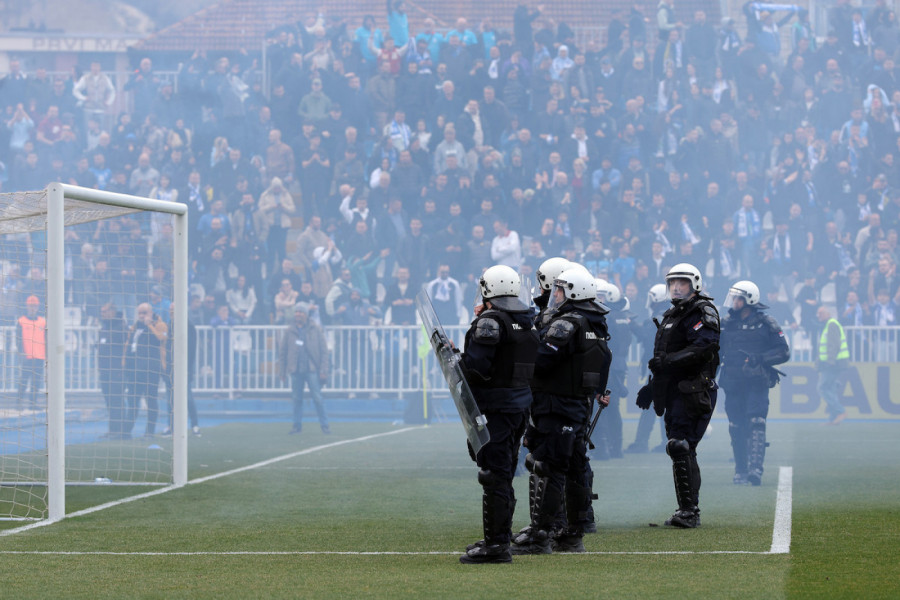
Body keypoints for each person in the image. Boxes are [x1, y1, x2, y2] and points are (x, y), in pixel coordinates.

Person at [511, 267, 611, 555]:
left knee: (552, 468)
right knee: (576, 469)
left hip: (558, 405)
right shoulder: (595, 323)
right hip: (578, 406)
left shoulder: (567, 323)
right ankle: (573, 534)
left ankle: (541, 535)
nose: (554, 295)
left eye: (559, 290)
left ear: (574, 293)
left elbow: (541, 359)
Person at [458, 265, 539, 564]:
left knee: (494, 475)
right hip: (518, 406)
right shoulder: (525, 319)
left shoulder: (490, 321)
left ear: (489, 289)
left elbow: (478, 368)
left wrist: (459, 363)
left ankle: (496, 546)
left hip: (496, 407)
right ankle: (499, 537)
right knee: (502, 473)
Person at [638, 263, 719, 529]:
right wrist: (652, 387)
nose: (676, 287)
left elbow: (704, 346)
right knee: (680, 447)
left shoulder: (702, 310)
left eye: (681, 283)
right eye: (672, 282)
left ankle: (689, 511)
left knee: (680, 445)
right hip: (674, 391)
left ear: (694, 284)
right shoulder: (673, 313)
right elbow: (662, 358)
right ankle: (687, 509)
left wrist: (668, 362)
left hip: (693, 390)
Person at [719, 281, 790, 486]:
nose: (734, 302)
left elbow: (783, 352)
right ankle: (740, 469)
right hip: (732, 383)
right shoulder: (725, 324)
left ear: (749, 300)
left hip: (756, 382)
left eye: (738, 298)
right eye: (733, 297)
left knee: (756, 422)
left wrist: (761, 358)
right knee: (735, 426)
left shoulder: (767, 323)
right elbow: (716, 353)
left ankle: (755, 469)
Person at [625, 283, 668, 454]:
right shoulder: (665, 316)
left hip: (658, 370)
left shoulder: (660, 318)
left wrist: (633, 325)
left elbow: (647, 336)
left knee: (652, 407)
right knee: (655, 407)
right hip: (659, 368)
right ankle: (658, 442)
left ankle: (643, 442)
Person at [277, 303, 331, 435]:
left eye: (301, 312)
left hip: (311, 368)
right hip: (295, 370)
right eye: (296, 312)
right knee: (296, 399)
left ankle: (325, 425)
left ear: (306, 314)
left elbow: (324, 351)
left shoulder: (315, 329)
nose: (298, 314)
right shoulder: (289, 330)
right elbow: (283, 352)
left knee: (318, 398)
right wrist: (282, 371)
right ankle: (296, 426)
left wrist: (323, 370)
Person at [123, 303, 168, 437]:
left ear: (150, 312)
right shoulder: (136, 327)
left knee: (151, 400)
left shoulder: (160, 325)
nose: (142, 316)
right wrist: (125, 362)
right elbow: (130, 344)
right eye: (140, 313)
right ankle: (126, 431)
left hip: (151, 369)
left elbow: (160, 339)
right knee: (132, 401)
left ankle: (149, 432)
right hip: (135, 370)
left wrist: (150, 325)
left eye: (144, 313)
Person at [163, 304, 200, 437]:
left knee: (188, 398)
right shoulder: (169, 325)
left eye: (173, 310)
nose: (171, 313)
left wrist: (187, 369)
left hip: (184, 369)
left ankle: (195, 425)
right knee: (170, 398)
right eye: (170, 310)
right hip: (170, 368)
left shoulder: (188, 326)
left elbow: (191, 350)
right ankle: (171, 426)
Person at [97, 302, 128, 438]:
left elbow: (125, 349)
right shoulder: (104, 328)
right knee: (109, 400)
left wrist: (122, 368)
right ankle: (112, 429)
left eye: (105, 311)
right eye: (102, 312)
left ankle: (121, 430)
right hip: (104, 371)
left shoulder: (121, 328)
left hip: (117, 371)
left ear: (112, 312)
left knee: (117, 400)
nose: (102, 314)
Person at [816, 305, 849, 425]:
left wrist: (830, 362)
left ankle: (840, 411)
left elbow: (833, 345)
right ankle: (833, 417)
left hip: (832, 364)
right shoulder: (829, 324)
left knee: (823, 387)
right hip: (833, 363)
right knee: (830, 388)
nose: (818, 315)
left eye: (821, 313)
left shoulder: (831, 324)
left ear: (828, 314)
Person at [17, 295, 46, 410]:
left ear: (38, 307)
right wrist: (21, 353)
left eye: (34, 306)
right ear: (27, 306)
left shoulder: (42, 322)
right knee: (23, 381)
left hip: (39, 356)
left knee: (36, 382)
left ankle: (32, 404)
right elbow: (18, 339)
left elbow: (46, 338)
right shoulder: (21, 321)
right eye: (30, 306)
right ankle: (18, 404)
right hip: (27, 356)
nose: (32, 308)